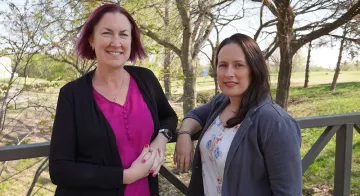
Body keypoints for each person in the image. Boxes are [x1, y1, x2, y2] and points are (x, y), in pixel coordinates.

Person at [49, 4, 178, 196]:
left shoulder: (146, 79)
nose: (116, 42)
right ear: (92, 40)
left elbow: (169, 117)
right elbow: (60, 169)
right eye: (107, 33)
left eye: (124, 34)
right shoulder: (72, 95)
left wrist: (160, 140)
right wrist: (127, 176)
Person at [174, 33, 302, 196]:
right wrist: (184, 134)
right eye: (223, 65)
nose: (228, 73)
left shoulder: (276, 123)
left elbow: (288, 192)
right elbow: (195, 116)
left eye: (238, 65)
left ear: (254, 69)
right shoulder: (221, 102)